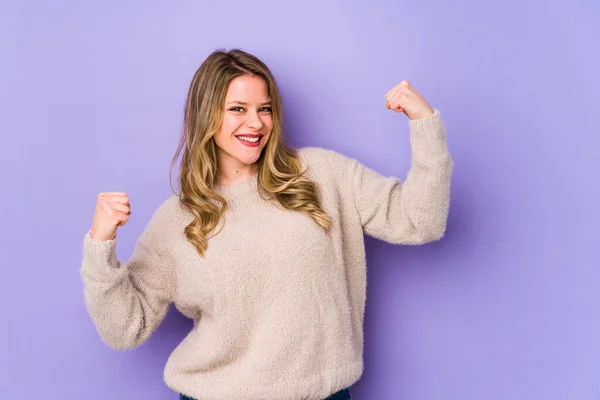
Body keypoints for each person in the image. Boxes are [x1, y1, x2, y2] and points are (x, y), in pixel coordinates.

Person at [80, 48, 453, 400]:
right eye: (237, 109)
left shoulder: (321, 174)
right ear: (206, 115)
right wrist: (100, 243)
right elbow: (124, 329)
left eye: (265, 108)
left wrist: (424, 125)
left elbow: (420, 221)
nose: (255, 123)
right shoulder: (179, 219)